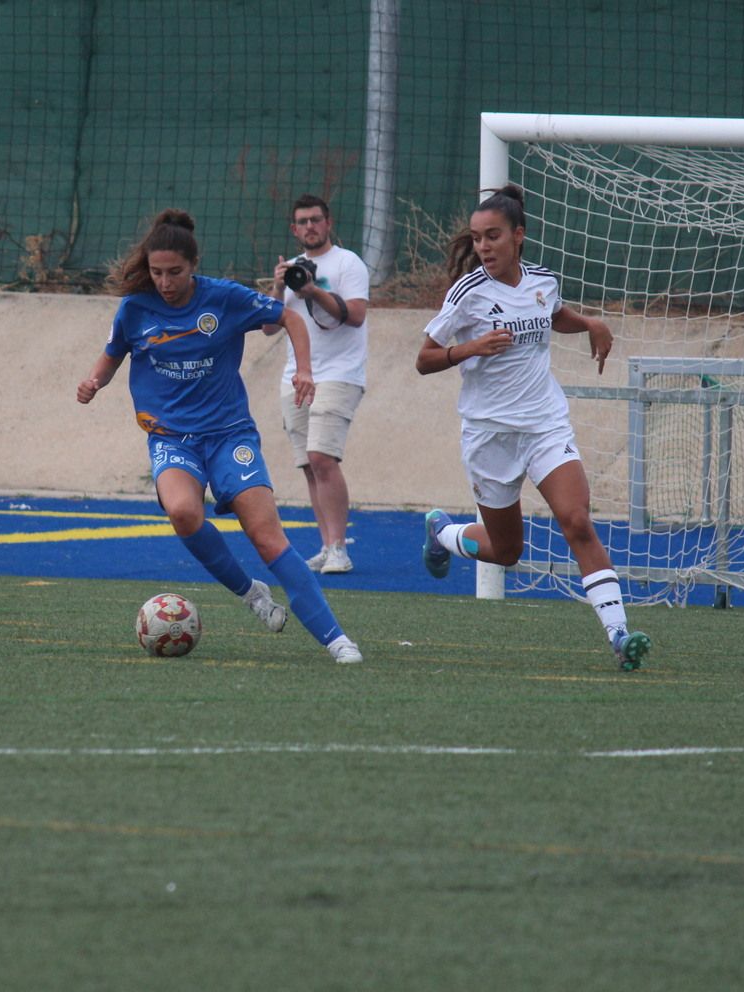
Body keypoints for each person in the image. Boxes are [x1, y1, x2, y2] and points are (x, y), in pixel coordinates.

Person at [77, 209, 362, 664]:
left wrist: (304, 370)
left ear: (194, 265)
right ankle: (250, 593)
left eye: (175, 272)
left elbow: (290, 319)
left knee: (269, 540)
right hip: (172, 437)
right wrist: (94, 381)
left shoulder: (223, 298)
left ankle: (337, 640)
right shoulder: (135, 308)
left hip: (230, 435)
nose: (165, 282)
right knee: (183, 512)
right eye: (156, 273)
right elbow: (113, 354)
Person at [415, 184, 652, 671]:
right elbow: (424, 359)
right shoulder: (467, 293)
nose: (484, 247)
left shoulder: (542, 280)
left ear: (518, 236)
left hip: (544, 424)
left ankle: (618, 635)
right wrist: (470, 348)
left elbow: (551, 314)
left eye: (493, 236)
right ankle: (441, 533)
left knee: (577, 521)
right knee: (506, 552)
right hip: (490, 435)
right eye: (478, 238)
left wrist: (589, 323)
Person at [263, 195, 371, 575]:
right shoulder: (291, 270)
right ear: (294, 230)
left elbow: (355, 316)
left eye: (316, 220)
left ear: (328, 223)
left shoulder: (348, 263)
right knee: (309, 464)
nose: (310, 227)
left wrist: (313, 292)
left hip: (340, 374)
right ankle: (326, 546)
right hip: (296, 375)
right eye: (302, 222)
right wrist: (279, 289)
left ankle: (340, 547)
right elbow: (268, 327)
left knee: (324, 457)